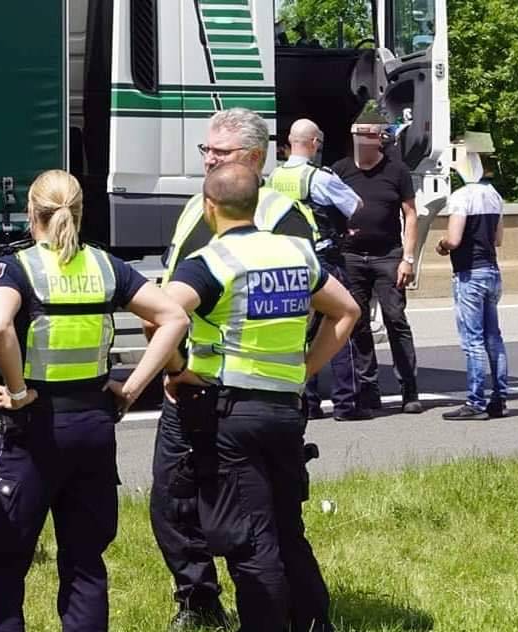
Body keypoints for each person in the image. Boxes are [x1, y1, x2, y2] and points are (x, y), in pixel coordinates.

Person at [0, 169, 189, 632]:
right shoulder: (106, 266)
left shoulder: (17, 268)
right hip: (93, 423)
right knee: (85, 561)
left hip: (34, 428)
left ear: (32, 212)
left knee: (4, 559)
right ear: (81, 212)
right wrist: (130, 389)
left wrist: (16, 391)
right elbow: (173, 318)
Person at [162, 162, 360, 632]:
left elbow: (160, 316)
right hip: (285, 411)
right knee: (287, 526)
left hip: (229, 411)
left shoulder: (211, 262)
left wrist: (178, 371)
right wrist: (305, 368)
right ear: (257, 204)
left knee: (250, 540)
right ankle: (314, 622)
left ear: (209, 208)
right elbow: (347, 311)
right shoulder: (297, 253)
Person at [148, 107, 317, 630]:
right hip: (189, 383)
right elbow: (170, 295)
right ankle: (197, 598)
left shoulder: (285, 217)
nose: (207, 160)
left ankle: (291, 612)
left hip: (248, 391)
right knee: (171, 498)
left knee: (264, 522)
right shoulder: (198, 208)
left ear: (252, 158)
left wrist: (301, 369)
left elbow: (312, 301)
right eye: (205, 151)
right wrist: (173, 368)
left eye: (217, 153)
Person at [267, 118, 371, 420]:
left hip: (285, 260)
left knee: (300, 332)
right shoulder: (319, 177)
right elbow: (355, 205)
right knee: (341, 324)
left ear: (289, 141)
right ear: (314, 143)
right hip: (322, 258)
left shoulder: (273, 178)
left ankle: (308, 403)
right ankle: (346, 404)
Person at [332, 106, 424, 414]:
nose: (364, 141)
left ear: (379, 140)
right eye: (359, 135)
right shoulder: (341, 170)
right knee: (356, 322)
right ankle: (368, 388)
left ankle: (409, 388)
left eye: (370, 136)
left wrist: (408, 259)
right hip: (352, 256)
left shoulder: (396, 171)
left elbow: (410, 214)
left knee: (395, 319)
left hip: (389, 255)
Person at [436, 135, 509, 420]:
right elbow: (498, 239)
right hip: (492, 271)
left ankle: (475, 402)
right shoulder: (494, 195)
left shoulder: (461, 197)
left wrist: (441, 244)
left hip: (469, 273)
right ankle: (499, 398)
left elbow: (454, 240)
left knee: (473, 340)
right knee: (494, 338)